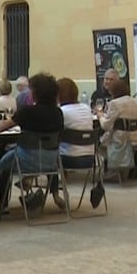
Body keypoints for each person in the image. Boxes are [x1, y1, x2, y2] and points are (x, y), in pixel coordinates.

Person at [0, 73, 65, 212]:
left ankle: (3, 204)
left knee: (1, 161)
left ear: (35, 93)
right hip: (50, 161)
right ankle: (54, 193)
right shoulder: (58, 113)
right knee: (47, 150)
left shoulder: (27, 111)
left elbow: (2, 127)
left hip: (26, 160)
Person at [56, 77, 98, 209]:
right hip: (90, 159)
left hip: (68, 159)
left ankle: (55, 193)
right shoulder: (86, 109)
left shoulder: (62, 112)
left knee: (49, 154)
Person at [100, 78, 137, 178]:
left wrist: (100, 116)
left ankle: (113, 168)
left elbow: (105, 125)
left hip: (121, 140)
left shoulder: (114, 103)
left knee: (99, 143)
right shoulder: (135, 102)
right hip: (136, 138)